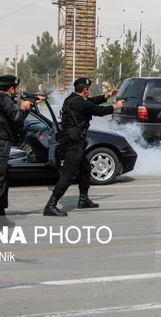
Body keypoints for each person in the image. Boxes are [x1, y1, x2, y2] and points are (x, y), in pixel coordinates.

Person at [43, 78, 123, 216]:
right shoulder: (80, 103)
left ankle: (83, 199)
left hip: (72, 141)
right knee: (69, 174)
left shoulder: (71, 100)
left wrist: (107, 96)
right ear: (85, 89)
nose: (89, 91)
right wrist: (115, 106)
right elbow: (99, 110)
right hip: (73, 143)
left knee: (85, 168)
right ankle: (51, 205)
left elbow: (91, 102)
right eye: (88, 89)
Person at [0, 75, 44, 226]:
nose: (17, 91)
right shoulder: (4, 100)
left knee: (2, 181)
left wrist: (30, 104)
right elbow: (17, 118)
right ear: (11, 89)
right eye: (16, 89)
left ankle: (1, 219)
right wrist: (23, 109)